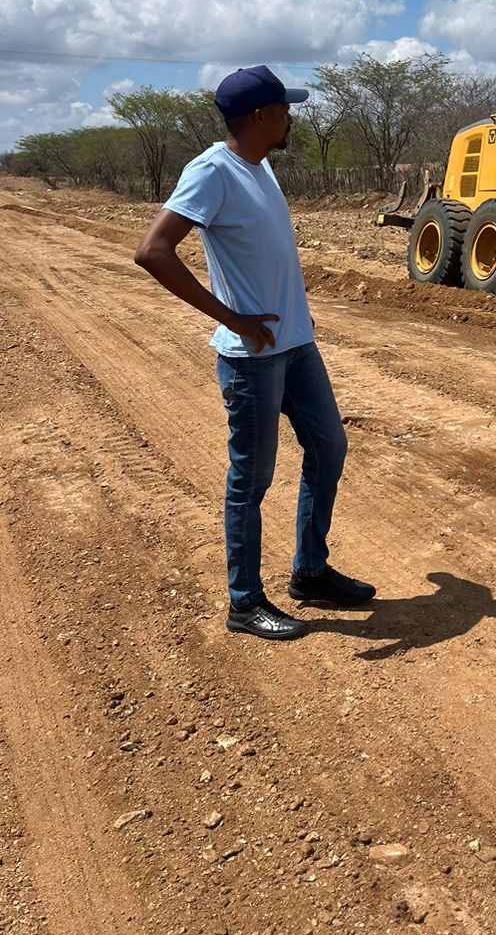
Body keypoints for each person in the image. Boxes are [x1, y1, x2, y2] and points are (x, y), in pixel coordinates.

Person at [134, 64, 375, 640]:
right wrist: (232, 317)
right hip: (253, 358)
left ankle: (310, 573)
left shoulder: (260, 166)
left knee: (329, 447)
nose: (292, 116)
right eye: (285, 109)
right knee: (253, 478)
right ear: (260, 116)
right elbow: (153, 251)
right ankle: (244, 602)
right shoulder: (212, 171)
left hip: (297, 345)